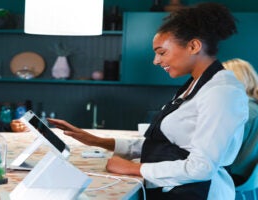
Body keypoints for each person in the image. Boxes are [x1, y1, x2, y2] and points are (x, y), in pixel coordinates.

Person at [48, 3, 248, 200]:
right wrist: (94, 140)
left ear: (193, 46)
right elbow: (164, 146)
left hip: (199, 193)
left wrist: (133, 168)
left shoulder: (222, 92)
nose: (156, 60)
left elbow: (201, 168)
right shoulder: (195, 85)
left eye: (162, 52)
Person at [223, 58, 258, 186]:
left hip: (234, 175)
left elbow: (221, 151)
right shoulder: (253, 106)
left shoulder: (244, 110)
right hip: (250, 177)